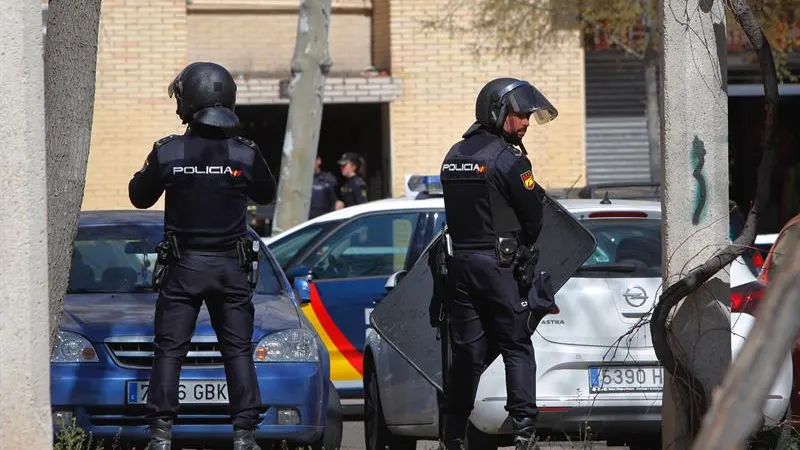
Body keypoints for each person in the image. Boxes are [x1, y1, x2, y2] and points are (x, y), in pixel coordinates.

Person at [128, 61, 276, 450]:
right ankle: (245, 437)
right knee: (238, 351)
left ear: (189, 99)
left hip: (184, 267)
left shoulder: (169, 151)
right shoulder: (244, 154)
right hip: (230, 267)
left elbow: (139, 197)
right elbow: (266, 194)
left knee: (170, 352)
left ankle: (160, 436)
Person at [437, 77, 559, 450]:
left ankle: (453, 435)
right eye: (521, 115)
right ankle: (524, 432)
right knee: (517, 346)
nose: (525, 123)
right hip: (499, 268)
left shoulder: (455, 154)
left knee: (468, 355)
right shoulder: (509, 159)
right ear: (498, 112)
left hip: (460, 269)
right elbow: (533, 217)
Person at [309, 154, 339, 219]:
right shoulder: (303, 179)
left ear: (318, 161)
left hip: (323, 218)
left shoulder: (328, 179)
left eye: (312, 160)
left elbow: (335, 201)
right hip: (306, 219)